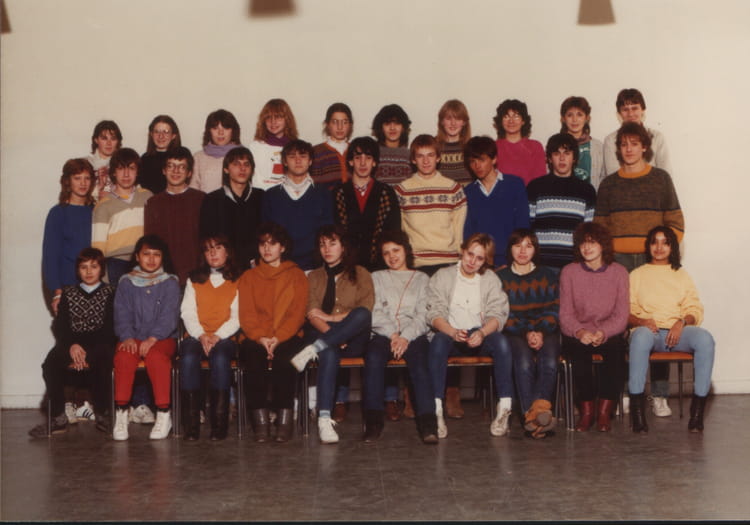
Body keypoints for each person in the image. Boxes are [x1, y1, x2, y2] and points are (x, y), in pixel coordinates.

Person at [595, 122, 684, 415]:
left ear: (645, 146)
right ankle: (624, 389)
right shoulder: (608, 184)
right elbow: (600, 228)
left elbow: (675, 222)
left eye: (635, 143)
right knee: (621, 324)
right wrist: (607, 263)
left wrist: (663, 253)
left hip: (652, 262)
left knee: (658, 321)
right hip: (618, 263)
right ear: (618, 149)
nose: (629, 149)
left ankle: (659, 394)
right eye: (624, 144)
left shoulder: (661, 179)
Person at [290, 225, 374, 444]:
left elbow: (365, 308)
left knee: (362, 314)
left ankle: (312, 350)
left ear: (343, 247)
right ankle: (324, 420)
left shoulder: (361, 273)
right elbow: (311, 313)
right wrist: (335, 335)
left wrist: (334, 320)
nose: (327, 249)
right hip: (323, 334)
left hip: (353, 338)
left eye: (332, 243)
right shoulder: (313, 276)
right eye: (322, 244)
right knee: (329, 351)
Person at [627, 226, 715, 433]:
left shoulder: (681, 275)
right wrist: (641, 321)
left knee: (705, 339)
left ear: (672, 247)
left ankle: (697, 414)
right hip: (649, 331)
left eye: (665, 243)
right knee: (640, 338)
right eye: (654, 242)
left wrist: (681, 322)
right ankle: (637, 413)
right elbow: (626, 310)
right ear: (648, 246)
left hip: (677, 331)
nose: (659, 247)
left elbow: (694, 307)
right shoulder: (637, 275)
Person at [425, 233, 512, 438]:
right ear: (462, 251)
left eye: (479, 258)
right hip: (450, 333)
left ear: (485, 260)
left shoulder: (490, 279)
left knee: (502, 342)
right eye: (470, 254)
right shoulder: (443, 276)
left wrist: (482, 332)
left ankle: (505, 407)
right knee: (438, 342)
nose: (472, 261)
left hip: (479, 334)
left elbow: (498, 315)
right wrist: (452, 331)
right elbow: (433, 314)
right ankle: (436, 410)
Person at [29, 248, 116, 438]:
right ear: (78, 270)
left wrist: (86, 352)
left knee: (103, 359)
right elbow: (60, 325)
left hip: (99, 342)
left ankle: (103, 413)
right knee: (50, 363)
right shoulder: (68, 293)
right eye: (84, 267)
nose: (89, 271)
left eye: (94, 266)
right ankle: (58, 416)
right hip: (71, 342)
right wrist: (72, 345)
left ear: (101, 269)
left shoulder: (111, 291)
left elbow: (110, 328)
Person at [238, 223, 308, 443]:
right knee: (252, 355)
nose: (267, 249)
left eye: (273, 243)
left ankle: (284, 422)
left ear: (283, 247)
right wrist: (261, 338)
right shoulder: (248, 277)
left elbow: (297, 314)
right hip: (256, 336)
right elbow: (246, 314)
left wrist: (278, 338)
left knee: (285, 357)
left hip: (287, 334)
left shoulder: (297, 275)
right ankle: (260, 423)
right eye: (262, 244)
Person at [366, 230, 437, 443]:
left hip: (413, 334)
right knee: (373, 358)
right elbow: (374, 311)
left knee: (420, 363)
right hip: (384, 333)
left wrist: (405, 337)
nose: (392, 256)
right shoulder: (376, 277)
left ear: (406, 250)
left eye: (396, 250)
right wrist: (393, 335)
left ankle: (428, 425)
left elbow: (424, 314)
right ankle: (373, 423)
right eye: (386, 253)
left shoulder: (422, 279)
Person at [559, 222, 629, 432]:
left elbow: (622, 315)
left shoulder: (619, 272)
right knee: (578, 352)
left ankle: (604, 412)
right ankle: (587, 412)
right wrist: (580, 332)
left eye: (592, 242)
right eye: (582, 243)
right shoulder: (569, 272)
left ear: (603, 245)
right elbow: (565, 314)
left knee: (616, 351)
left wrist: (604, 332)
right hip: (579, 331)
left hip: (608, 331)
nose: (587, 247)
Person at [112, 235, 181, 441]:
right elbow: (121, 313)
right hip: (133, 337)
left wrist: (153, 338)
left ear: (163, 257)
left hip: (161, 339)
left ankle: (163, 414)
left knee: (156, 358)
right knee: (124, 357)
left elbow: (170, 316)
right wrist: (127, 336)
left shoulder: (170, 282)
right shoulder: (126, 282)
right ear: (137, 256)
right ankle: (122, 413)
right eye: (146, 254)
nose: (151, 259)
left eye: (156, 255)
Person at [497, 229, 560, 439]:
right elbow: (501, 314)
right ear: (510, 249)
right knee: (523, 362)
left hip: (545, 330)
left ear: (535, 250)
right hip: (515, 332)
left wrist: (539, 331)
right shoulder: (501, 278)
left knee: (549, 361)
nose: (522, 251)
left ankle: (534, 418)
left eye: (528, 246)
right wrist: (526, 332)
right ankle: (533, 416)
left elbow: (555, 308)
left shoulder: (547, 275)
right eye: (518, 246)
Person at [179, 234, 240, 441]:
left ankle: (219, 425)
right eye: (208, 249)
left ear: (227, 252)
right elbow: (187, 312)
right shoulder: (194, 280)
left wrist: (217, 336)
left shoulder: (238, 280)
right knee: (188, 358)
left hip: (225, 337)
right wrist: (201, 335)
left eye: (218, 247)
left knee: (220, 358)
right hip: (196, 335)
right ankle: (191, 426)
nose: (213, 253)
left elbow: (237, 316)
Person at [395, 134, 467, 275]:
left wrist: (459, 257)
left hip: (448, 262)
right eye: (420, 156)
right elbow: (400, 229)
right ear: (413, 160)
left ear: (438, 158)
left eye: (430, 155)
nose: (426, 161)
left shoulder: (453, 189)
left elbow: (459, 230)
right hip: (415, 264)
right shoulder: (402, 190)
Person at [262, 139, 334, 271]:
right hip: (280, 267)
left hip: (315, 268)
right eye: (292, 156)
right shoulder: (270, 196)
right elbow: (266, 237)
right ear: (284, 161)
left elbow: (328, 234)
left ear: (310, 161)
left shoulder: (324, 194)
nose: (298, 160)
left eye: (303, 156)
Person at [527, 133, 597, 269]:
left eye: (567, 153)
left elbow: (587, 232)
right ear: (549, 158)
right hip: (541, 266)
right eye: (556, 153)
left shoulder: (587, 190)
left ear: (574, 158)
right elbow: (528, 228)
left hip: (574, 266)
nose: (562, 158)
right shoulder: (535, 187)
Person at [333, 136, 401, 271]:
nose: (363, 163)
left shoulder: (386, 193)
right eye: (358, 158)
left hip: (380, 267)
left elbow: (394, 232)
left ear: (375, 162)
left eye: (368, 158)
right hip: (346, 267)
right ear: (351, 161)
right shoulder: (338, 193)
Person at [462, 136, 529, 267]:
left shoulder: (514, 185)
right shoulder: (468, 192)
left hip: (510, 261)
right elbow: (469, 233)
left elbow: (523, 226)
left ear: (494, 159)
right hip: (480, 262)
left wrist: (513, 261)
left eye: (482, 160)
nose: (477, 166)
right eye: (472, 161)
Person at [92, 147, 152, 285]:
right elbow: (98, 248)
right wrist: (103, 279)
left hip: (144, 262)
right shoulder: (103, 205)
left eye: (131, 168)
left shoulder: (147, 197)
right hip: (116, 264)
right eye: (120, 168)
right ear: (113, 172)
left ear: (137, 171)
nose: (126, 174)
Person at [145, 146, 205, 285]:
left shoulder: (201, 200)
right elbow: (151, 242)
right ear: (164, 170)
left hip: (196, 276)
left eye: (182, 167)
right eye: (171, 166)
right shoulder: (153, 203)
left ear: (189, 173)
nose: (176, 171)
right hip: (163, 277)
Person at [43, 158, 95, 316]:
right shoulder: (58, 213)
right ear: (67, 181)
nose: (83, 183)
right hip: (68, 285)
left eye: (87, 178)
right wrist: (57, 292)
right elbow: (50, 257)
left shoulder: (97, 210)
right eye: (77, 178)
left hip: (95, 286)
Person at [199, 146, 264, 271]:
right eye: (236, 164)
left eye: (246, 164)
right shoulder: (212, 200)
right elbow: (207, 239)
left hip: (255, 268)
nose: (242, 168)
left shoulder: (261, 197)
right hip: (224, 269)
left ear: (252, 170)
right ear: (226, 169)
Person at [603, 88, 671, 175]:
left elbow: (666, 174)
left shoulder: (657, 137)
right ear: (619, 113)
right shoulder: (611, 141)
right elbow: (613, 176)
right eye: (625, 109)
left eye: (634, 108)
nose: (630, 114)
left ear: (642, 110)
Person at [493, 99, 546, 186]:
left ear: (523, 121)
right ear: (500, 121)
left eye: (516, 116)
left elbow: (540, 180)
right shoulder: (493, 147)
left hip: (530, 193)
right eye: (506, 116)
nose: (511, 121)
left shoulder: (535, 147)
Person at [249, 98, 299, 191]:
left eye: (278, 117)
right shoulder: (255, 147)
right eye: (268, 117)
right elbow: (255, 179)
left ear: (287, 120)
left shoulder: (297, 147)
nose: (273, 122)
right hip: (262, 195)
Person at [559, 96, 606, 190]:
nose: (574, 119)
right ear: (563, 119)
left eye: (579, 115)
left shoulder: (598, 147)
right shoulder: (555, 145)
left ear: (587, 118)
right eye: (570, 115)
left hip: (590, 197)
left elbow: (603, 178)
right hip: (562, 197)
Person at [190, 109, 242, 194]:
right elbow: (193, 191)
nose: (220, 132)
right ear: (209, 131)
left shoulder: (243, 156)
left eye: (225, 128)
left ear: (233, 130)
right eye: (215, 128)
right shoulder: (198, 158)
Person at [311, 102, 353, 191]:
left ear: (350, 125)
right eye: (335, 122)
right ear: (327, 124)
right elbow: (313, 186)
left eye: (344, 122)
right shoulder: (316, 152)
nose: (340, 127)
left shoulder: (356, 150)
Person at [139, 115, 182, 195]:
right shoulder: (144, 159)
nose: (161, 136)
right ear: (151, 134)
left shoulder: (181, 158)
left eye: (166, 132)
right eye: (157, 132)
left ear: (173, 135)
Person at [371, 104, 412, 186]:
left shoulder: (410, 156)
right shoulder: (372, 154)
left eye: (397, 123)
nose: (392, 128)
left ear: (403, 127)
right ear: (381, 127)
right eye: (387, 123)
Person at [435, 99, 473, 186]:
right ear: (442, 121)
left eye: (458, 118)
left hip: (467, 194)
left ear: (464, 122)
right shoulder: (433, 147)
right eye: (448, 118)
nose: (453, 123)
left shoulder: (472, 147)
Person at [87, 120, 122, 202]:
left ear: (118, 141)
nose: (109, 143)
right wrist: (98, 190)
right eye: (104, 138)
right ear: (96, 140)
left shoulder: (124, 164)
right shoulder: (86, 163)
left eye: (113, 139)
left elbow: (133, 193)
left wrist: (114, 196)